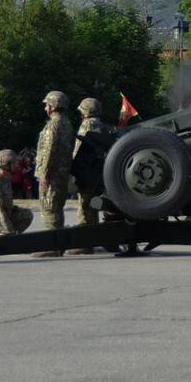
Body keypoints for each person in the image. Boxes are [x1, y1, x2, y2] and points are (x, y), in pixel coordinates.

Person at [32, 90, 75, 257]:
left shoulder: (53, 125)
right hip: (62, 173)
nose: (45, 108)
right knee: (57, 208)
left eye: (46, 105)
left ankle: (53, 246)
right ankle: (59, 243)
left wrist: (44, 173)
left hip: (52, 173)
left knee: (49, 208)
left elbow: (49, 150)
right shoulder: (67, 123)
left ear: (52, 106)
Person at [68, 98, 113, 255]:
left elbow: (79, 149)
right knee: (93, 207)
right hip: (98, 172)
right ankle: (94, 240)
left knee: (85, 207)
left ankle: (86, 244)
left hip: (87, 171)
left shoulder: (87, 125)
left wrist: (72, 168)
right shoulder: (102, 126)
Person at [0, 149, 33, 235]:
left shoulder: (6, 178)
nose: (17, 165)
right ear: (6, 165)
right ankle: (5, 238)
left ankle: (9, 237)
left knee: (26, 214)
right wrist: (11, 231)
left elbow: (6, 206)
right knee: (10, 232)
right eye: (14, 162)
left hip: (4, 216)